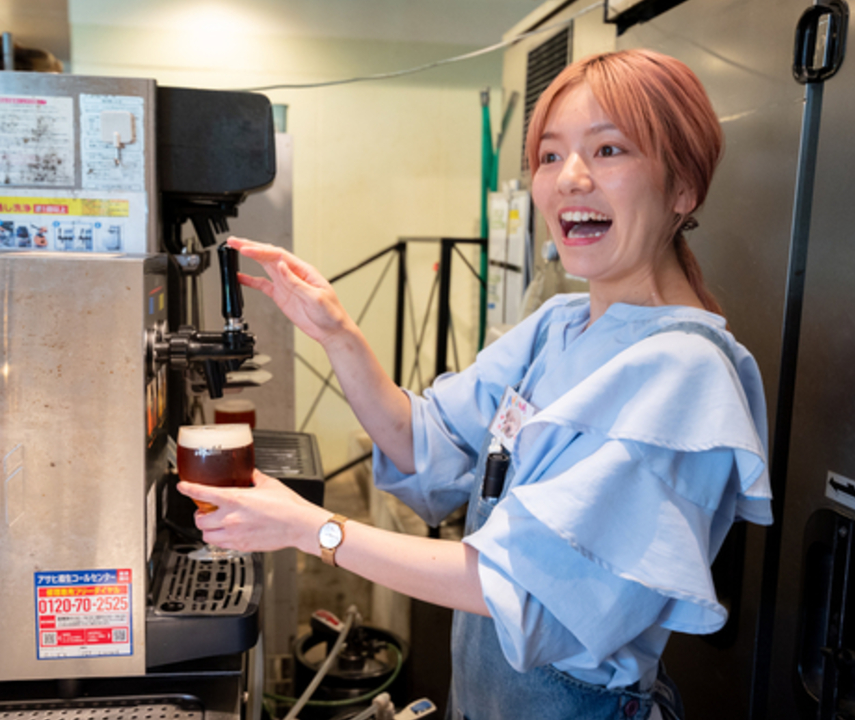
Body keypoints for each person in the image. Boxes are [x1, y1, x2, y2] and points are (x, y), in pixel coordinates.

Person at [176, 49, 772, 720]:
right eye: (550, 156)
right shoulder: (558, 326)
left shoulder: (683, 372)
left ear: (683, 188)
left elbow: (520, 585)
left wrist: (313, 529)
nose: (570, 178)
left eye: (608, 150)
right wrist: (337, 333)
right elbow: (421, 439)